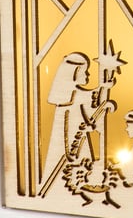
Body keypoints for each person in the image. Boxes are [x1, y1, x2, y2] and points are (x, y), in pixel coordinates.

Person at [40, 52, 95, 190]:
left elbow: (89, 106)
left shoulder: (76, 94)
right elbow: (91, 98)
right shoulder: (71, 95)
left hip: (78, 133)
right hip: (69, 136)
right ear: (74, 73)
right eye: (85, 71)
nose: (88, 74)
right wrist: (104, 88)